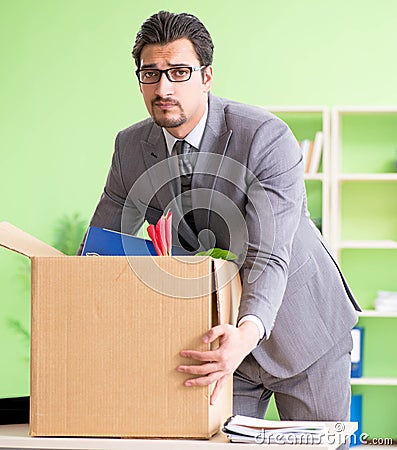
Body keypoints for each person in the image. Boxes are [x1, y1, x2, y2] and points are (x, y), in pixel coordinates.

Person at [79, 10, 360, 433]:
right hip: (213, 339)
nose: (163, 88)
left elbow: (268, 253)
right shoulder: (131, 147)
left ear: (206, 76)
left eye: (178, 72)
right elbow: (102, 246)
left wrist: (246, 335)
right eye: (150, 74)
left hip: (303, 329)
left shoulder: (264, 136)